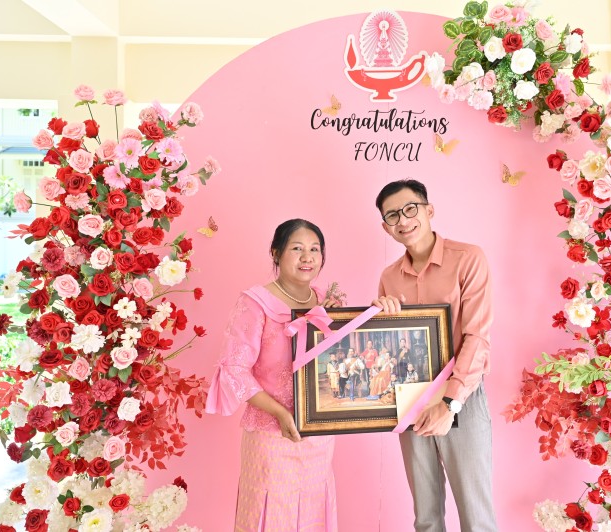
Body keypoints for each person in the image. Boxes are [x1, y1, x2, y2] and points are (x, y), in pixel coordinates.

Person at [372, 179, 497, 531]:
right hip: (410, 398)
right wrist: (378, 317)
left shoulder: (468, 258)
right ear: (385, 227)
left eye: (410, 209)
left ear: (429, 210)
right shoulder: (388, 277)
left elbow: (477, 337)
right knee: (425, 518)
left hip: (462, 396)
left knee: (476, 517)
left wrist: (449, 403)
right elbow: (387, 347)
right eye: (392, 215)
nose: (403, 220)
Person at [206, 218, 340, 531]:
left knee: (314, 513)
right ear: (276, 253)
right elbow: (235, 369)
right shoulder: (255, 302)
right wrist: (280, 413)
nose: (307, 257)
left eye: (315, 249)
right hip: (271, 433)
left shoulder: (327, 301)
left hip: (318, 436)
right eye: (297, 248)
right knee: (269, 514)